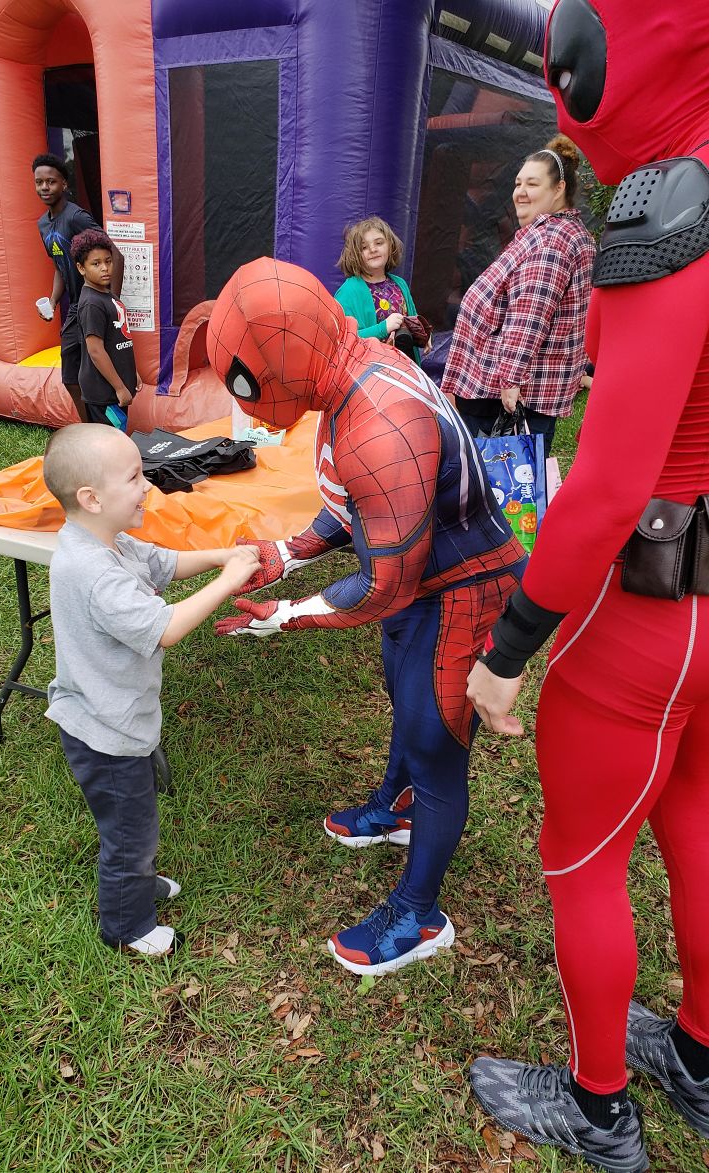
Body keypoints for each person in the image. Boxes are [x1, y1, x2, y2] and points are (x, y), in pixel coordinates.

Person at [466, 1, 709, 1169]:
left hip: (651, 605)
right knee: (696, 817)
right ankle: (698, 1052)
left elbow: (608, 489)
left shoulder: (672, 214)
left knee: (583, 857)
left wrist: (508, 647)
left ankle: (601, 1107)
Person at [206, 257, 526, 977]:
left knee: (434, 737)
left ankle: (420, 913)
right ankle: (398, 803)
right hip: (424, 575)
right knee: (404, 698)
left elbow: (382, 583)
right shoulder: (350, 373)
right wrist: (288, 552)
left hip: (461, 583)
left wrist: (284, 616)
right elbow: (360, 500)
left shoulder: (378, 417)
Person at [42, 424, 259, 957]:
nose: (147, 486)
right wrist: (228, 582)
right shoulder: (96, 574)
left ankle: (135, 880)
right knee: (129, 834)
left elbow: (165, 563)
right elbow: (165, 628)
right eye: (135, 477)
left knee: (133, 823)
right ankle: (127, 925)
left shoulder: (102, 541)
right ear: (92, 498)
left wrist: (222, 556)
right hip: (106, 732)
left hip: (110, 716)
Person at [442, 134, 595, 454]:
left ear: (558, 189)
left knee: (501, 475)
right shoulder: (555, 232)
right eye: (518, 183)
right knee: (514, 476)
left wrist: (511, 380)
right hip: (512, 385)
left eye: (532, 184)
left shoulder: (551, 242)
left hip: (508, 391)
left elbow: (529, 316)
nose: (520, 192)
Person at [33, 153, 123, 423]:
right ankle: (88, 428)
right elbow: (60, 266)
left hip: (93, 305)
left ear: (64, 184)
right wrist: (52, 301)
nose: (45, 187)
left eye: (51, 181)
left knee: (97, 375)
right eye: (39, 182)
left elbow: (115, 255)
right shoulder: (43, 224)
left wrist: (112, 302)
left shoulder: (76, 217)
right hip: (74, 308)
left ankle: (109, 431)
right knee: (70, 378)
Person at [70, 229, 140, 426]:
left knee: (117, 435)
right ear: (81, 268)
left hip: (113, 389)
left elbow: (118, 340)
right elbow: (95, 351)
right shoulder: (92, 303)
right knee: (109, 439)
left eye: (108, 261)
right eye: (96, 263)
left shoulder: (107, 295)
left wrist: (132, 372)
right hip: (103, 394)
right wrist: (119, 387)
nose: (105, 268)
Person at [334, 216, 423, 361]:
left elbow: (413, 321)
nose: (373, 249)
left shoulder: (400, 284)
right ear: (355, 254)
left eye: (379, 243)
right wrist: (383, 328)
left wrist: (423, 333)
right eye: (364, 247)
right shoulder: (348, 292)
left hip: (404, 368)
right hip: (371, 370)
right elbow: (343, 340)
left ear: (390, 245)